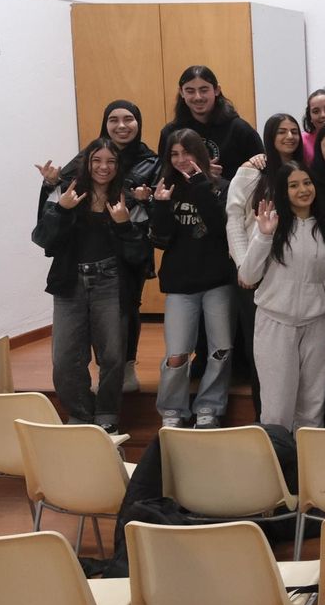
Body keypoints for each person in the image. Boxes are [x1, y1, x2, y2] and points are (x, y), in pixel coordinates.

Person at [36, 100, 161, 394]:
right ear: (105, 124)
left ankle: (125, 366)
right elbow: (63, 196)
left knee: (128, 305)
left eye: (128, 119)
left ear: (138, 123)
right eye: (113, 120)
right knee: (91, 316)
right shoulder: (87, 156)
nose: (121, 125)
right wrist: (49, 183)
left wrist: (146, 201)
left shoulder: (152, 161)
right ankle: (100, 374)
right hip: (90, 249)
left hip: (129, 240)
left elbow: (162, 207)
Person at [32, 138, 148, 430]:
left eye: (110, 161)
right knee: (65, 358)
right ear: (87, 163)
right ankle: (81, 415)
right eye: (97, 160)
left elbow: (140, 256)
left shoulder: (128, 199)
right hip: (70, 283)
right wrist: (62, 209)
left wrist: (124, 224)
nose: (103, 167)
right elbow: (42, 239)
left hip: (111, 283)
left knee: (111, 356)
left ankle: (108, 415)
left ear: (118, 166)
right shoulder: (67, 192)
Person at [238, 161, 325, 430]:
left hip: (317, 325)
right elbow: (248, 277)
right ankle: (279, 469)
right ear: (283, 191)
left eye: (306, 183)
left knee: (312, 408)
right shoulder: (271, 224)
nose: (303, 190)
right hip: (275, 323)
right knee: (277, 410)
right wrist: (263, 236)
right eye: (293, 185)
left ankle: (306, 469)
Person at [148, 129, 235, 428]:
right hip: (180, 285)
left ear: (200, 154)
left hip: (217, 281)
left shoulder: (221, 187)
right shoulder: (166, 189)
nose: (181, 159)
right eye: (174, 154)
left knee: (220, 350)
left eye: (187, 152)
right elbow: (160, 240)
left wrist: (200, 184)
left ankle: (210, 407)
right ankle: (172, 410)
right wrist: (159, 206)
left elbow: (220, 229)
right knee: (176, 354)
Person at [225, 113, 305, 420]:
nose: (288, 136)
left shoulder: (302, 172)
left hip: (291, 276)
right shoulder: (251, 172)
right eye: (281, 131)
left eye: (294, 131)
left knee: (294, 355)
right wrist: (244, 265)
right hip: (255, 274)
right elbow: (234, 219)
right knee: (264, 355)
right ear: (269, 137)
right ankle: (266, 421)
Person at [157, 65, 263, 180]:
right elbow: (165, 175)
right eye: (190, 91)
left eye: (204, 90)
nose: (198, 97)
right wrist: (197, 174)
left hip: (233, 196)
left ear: (217, 90)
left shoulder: (239, 129)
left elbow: (261, 169)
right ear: (181, 92)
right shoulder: (170, 132)